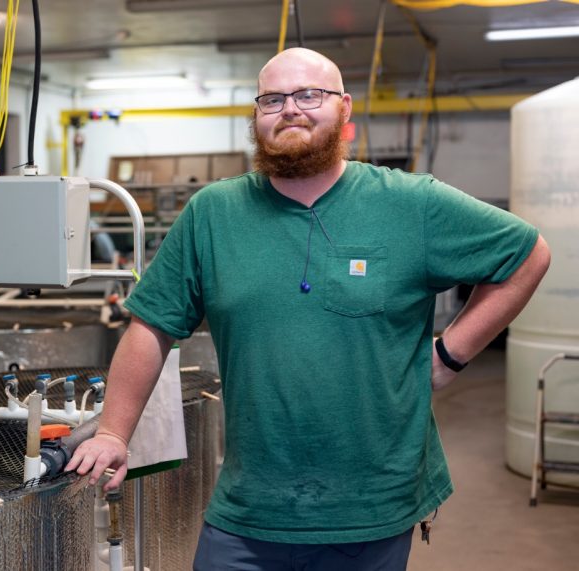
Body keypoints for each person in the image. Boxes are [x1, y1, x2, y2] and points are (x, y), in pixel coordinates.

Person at [65, 47, 551, 570]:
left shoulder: (411, 204)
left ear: (344, 110)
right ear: (256, 117)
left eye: (308, 95)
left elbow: (528, 255)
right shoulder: (213, 213)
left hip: (371, 506)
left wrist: (452, 354)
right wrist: (115, 431)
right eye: (272, 99)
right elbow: (150, 326)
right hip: (249, 506)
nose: (290, 109)